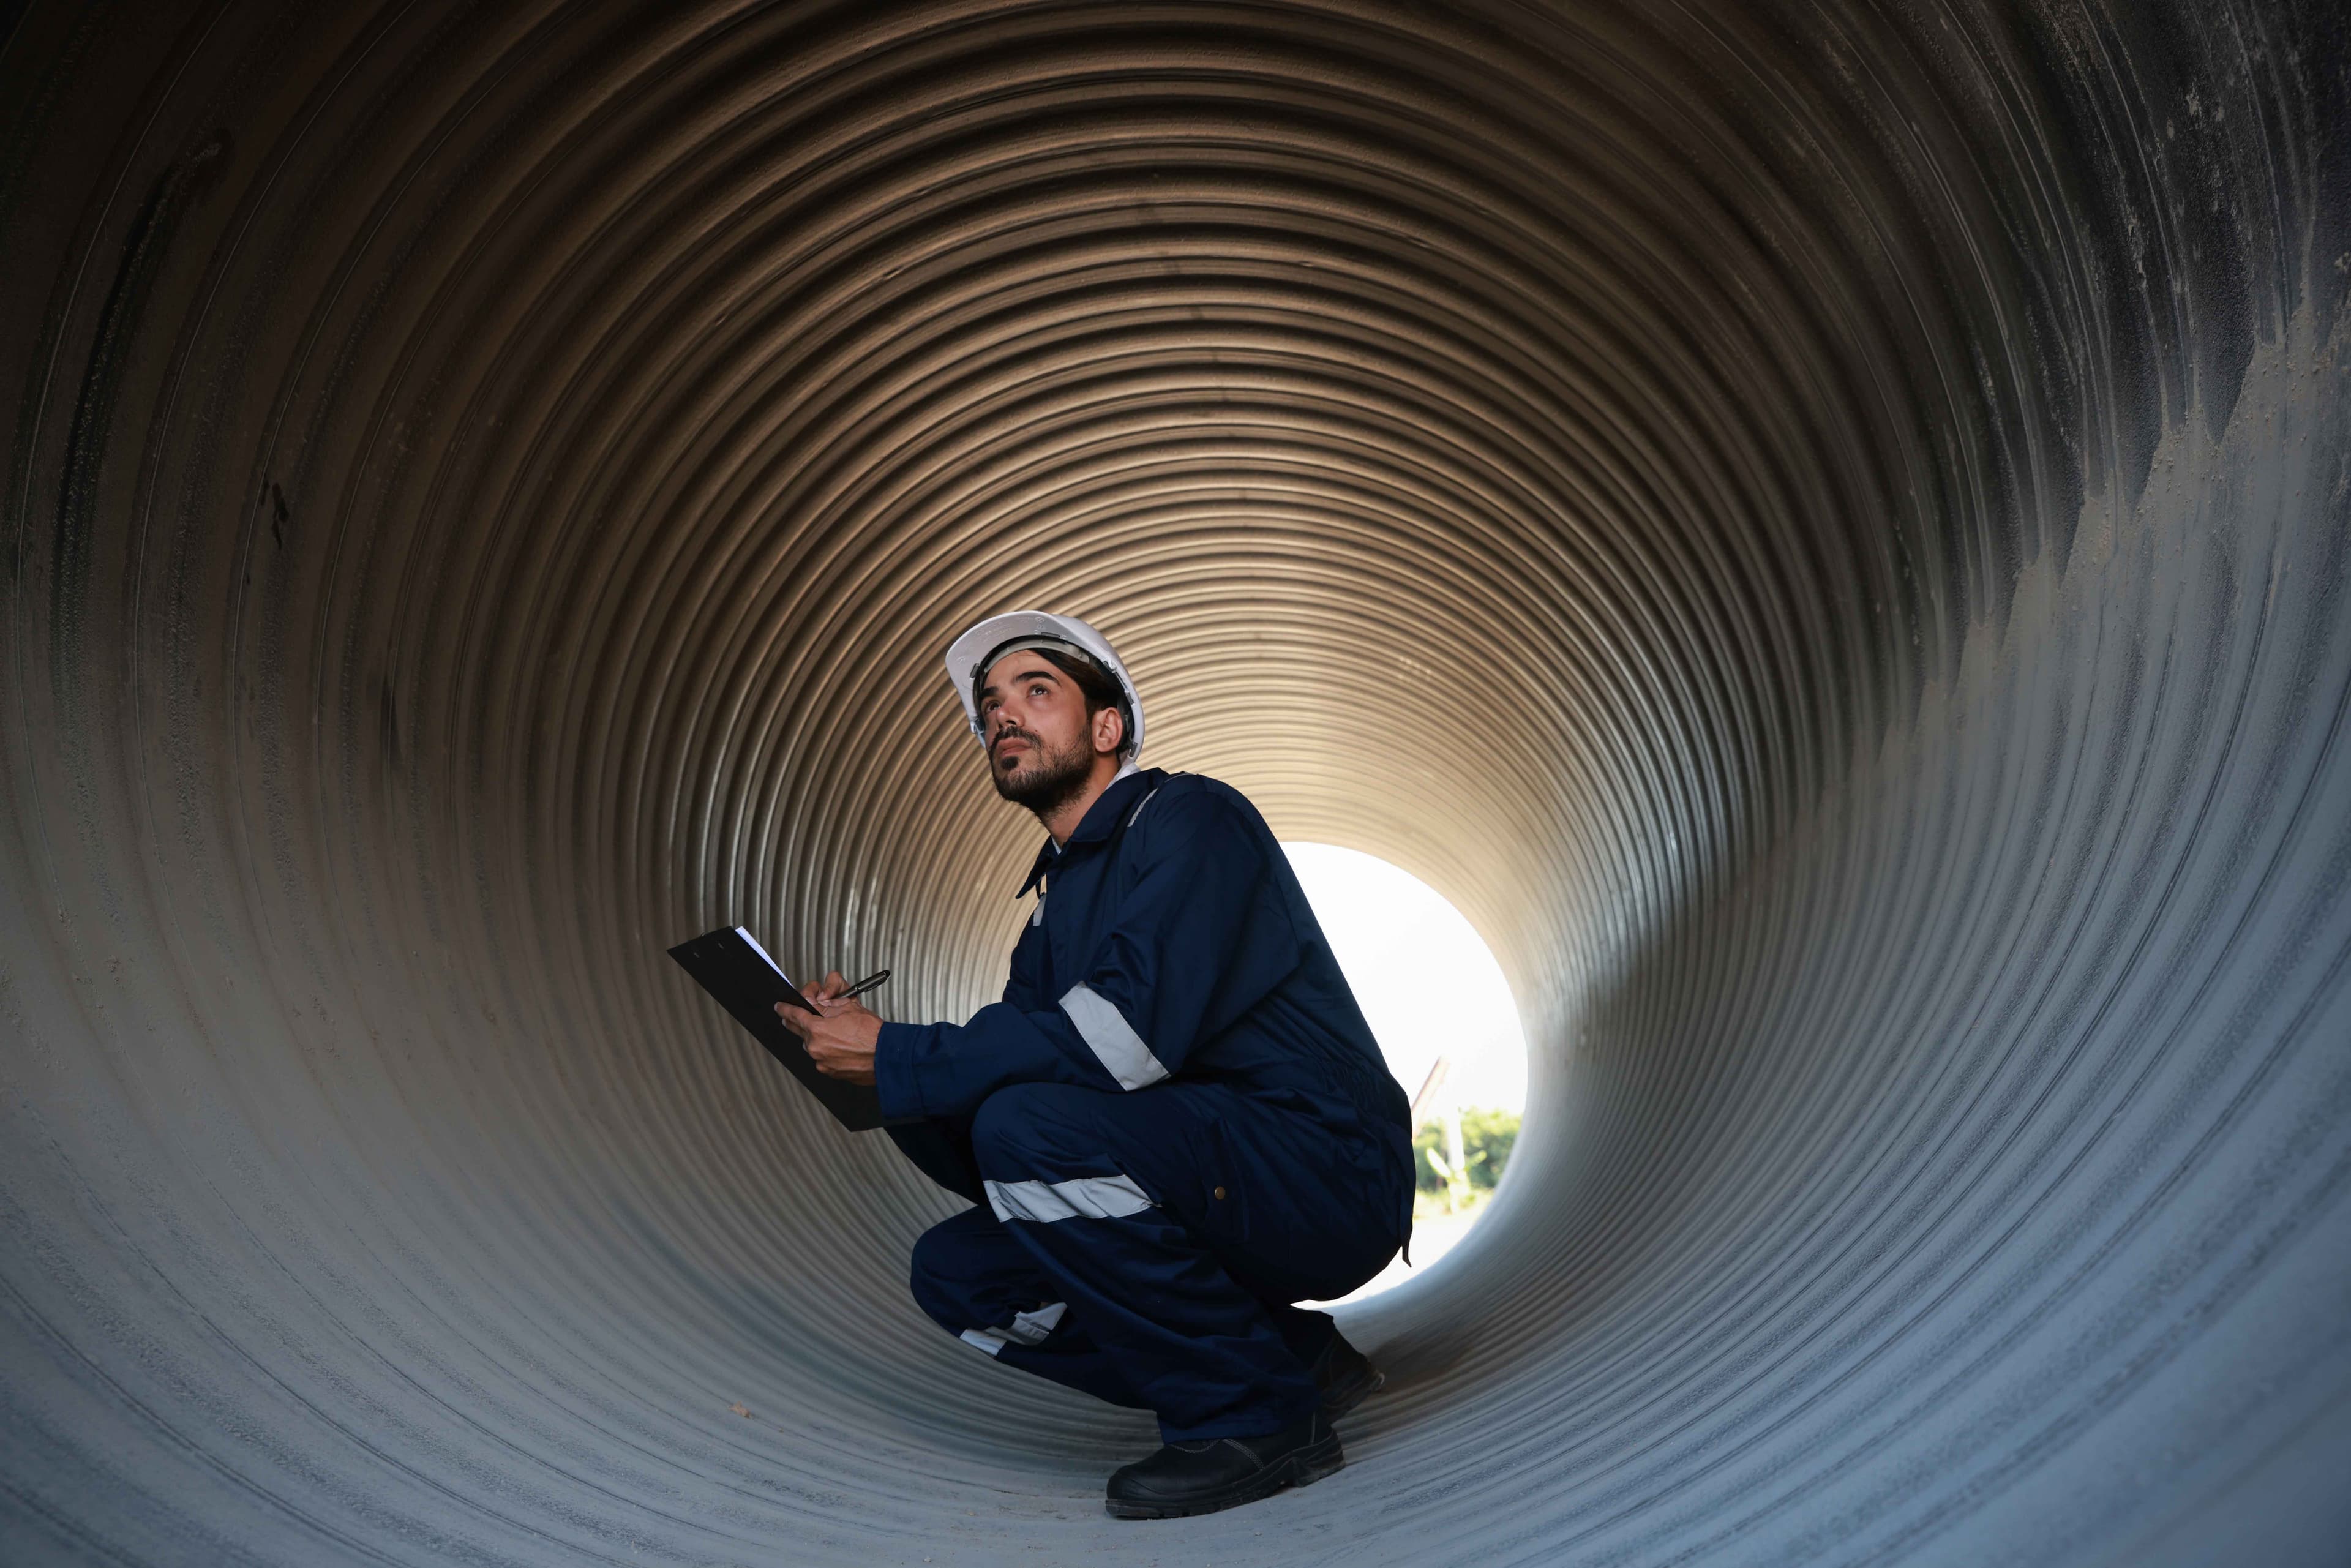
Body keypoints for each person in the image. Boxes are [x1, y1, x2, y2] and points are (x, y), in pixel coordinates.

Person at [778, 611, 1414, 1520]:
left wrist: (906, 1054)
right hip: (1212, 1179)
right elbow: (1000, 1096)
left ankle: (1261, 1419)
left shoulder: (1192, 821)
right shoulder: (1053, 909)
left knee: (1024, 1124)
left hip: (1325, 1170)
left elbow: (1120, 1039)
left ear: (1106, 727)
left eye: (1037, 691)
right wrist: (869, 1061)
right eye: (990, 705)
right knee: (961, 1272)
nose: (1003, 715)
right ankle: (1288, 1356)